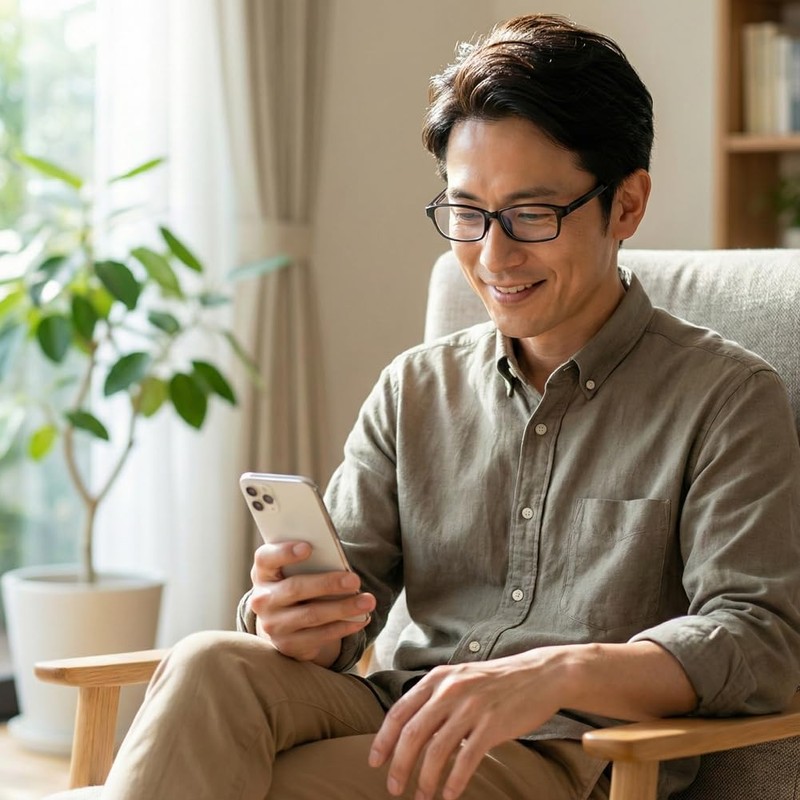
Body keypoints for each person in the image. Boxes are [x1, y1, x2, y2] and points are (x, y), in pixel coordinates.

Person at [102, 14, 800, 800]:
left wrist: (550, 673)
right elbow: (346, 609)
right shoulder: (415, 390)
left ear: (627, 205)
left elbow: (758, 641)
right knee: (207, 662)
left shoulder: (727, 398)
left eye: (532, 215)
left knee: (268, 781)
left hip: (559, 754)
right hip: (400, 709)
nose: (494, 257)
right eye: (466, 214)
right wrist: (291, 615)